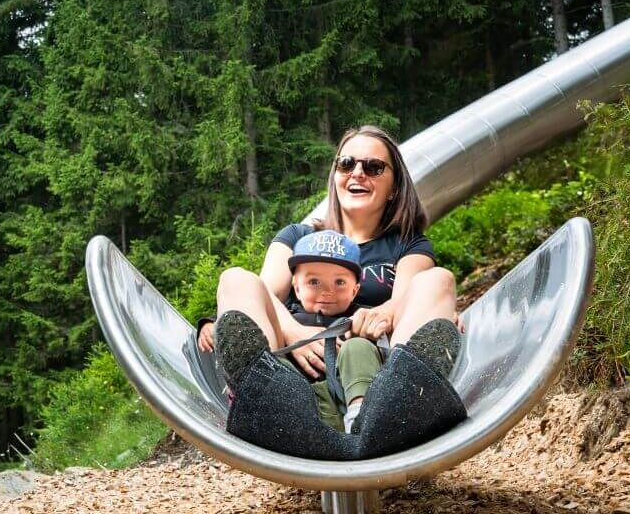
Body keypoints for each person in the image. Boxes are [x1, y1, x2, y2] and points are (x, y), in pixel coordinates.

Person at [197, 125, 462, 375]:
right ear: (335, 176)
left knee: (438, 280)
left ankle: (400, 388)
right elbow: (263, 293)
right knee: (235, 278)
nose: (357, 173)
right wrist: (296, 333)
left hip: (370, 364)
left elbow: (402, 302)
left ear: (394, 187)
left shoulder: (409, 244)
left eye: (373, 167)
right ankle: (262, 386)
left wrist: (411, 312)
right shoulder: (297, 236)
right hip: (290, 363)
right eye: (346, 164)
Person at [264, 229, 382, 433]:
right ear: (296, 288)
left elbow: (391, 322)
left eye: (340, 282)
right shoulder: (287, 318)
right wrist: (211, 323)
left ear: (355, 290)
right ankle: (284, 425)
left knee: (358, 347)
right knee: (274, 362)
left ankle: (361, 419)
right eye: (314, 282)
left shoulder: (359, 316)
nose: (327, 291)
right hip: (306, 407)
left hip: (348, 397)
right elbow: (249, 312)